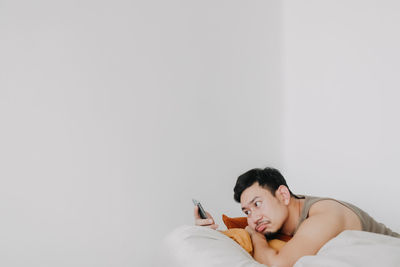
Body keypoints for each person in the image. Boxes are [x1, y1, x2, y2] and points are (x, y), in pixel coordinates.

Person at [194, 167, 400, 267]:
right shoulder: (279, 226)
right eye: (247, 212)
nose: (253, 218)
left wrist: (253, 234)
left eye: (257, 204)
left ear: (283, 194)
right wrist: (212, 235)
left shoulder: (324, 215)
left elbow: (279, 265)